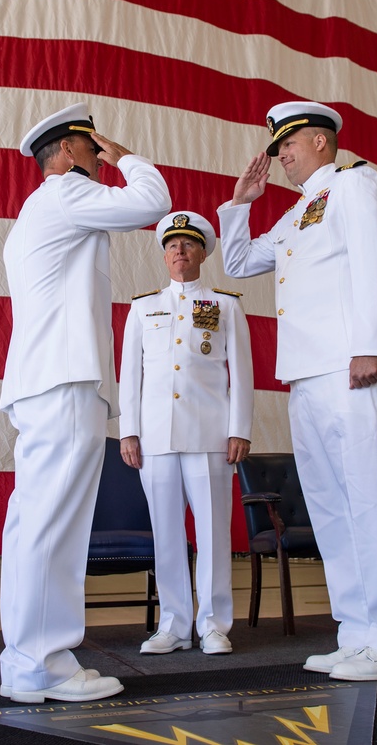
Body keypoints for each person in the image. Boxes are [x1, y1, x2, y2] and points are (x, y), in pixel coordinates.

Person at [217, 101, 377, 681]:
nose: (280, 155)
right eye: (278, 147)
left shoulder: (356, 184)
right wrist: (241, 205)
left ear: (321, 143)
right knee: (332, 507)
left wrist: (370, 345)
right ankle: (359, 633)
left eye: (289, 144)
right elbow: (237, 263)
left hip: (350, 364)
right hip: (306, 373)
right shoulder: (296, 212)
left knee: (370, 498)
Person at [0, 103, 171, 703]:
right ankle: (45, 665)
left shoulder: (37, 211)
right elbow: (153, 202)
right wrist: (128, 157)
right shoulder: (66, 194)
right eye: (94, 152)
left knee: (33, 526)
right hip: (64, 383)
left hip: (44, 383)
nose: (103, 162)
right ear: (70, 153)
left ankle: (28, 662)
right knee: (54, 528)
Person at [119, 211, 254, 656]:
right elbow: (130, 377)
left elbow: (242, 375)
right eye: (172, 245)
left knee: (214, 533)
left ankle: (214, 624)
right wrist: (129, 431)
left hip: (211, 434)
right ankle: (174, 624)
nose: (179, 250)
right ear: (164, 256)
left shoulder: (226, 305)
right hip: (156, 437)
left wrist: (240, 429)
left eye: (188, 244)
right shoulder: (142, 307)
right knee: (166, 534)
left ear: (202, 253)